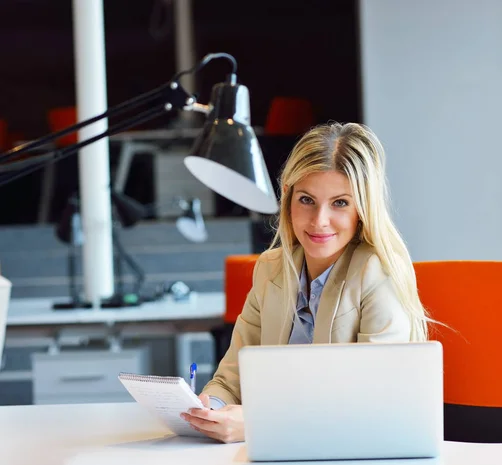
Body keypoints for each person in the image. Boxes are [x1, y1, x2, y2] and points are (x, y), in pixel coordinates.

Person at [180, 122, 432, 443]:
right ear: (287, 198)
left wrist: (261, 424)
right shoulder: (271, 269)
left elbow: (376, 404)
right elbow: (231, 379)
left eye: (340, 203)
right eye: (306, 200)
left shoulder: (378, 274)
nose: (319, 220)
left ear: (362, 209)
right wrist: (209, 407)